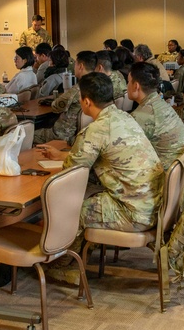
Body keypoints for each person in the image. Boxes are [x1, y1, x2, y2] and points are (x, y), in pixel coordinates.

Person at [36, 73, 162, 282]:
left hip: (134, 214)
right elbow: (98, 154)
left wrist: (64, 160)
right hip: (154, 204)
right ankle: (81, 256)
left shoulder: (95, 130)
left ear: (86, 101)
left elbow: (70, 174)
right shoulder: (124, 117)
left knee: (72, 208)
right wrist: (63, 155)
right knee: (89, 196)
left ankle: (64, 265)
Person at [128, 62, 184, 169]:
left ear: (136, 86)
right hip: (182, 170)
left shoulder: (141, 115)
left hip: (163, 175)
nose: (127, 86)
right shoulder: (161, 104)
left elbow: (128, 152)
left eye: (128, 82)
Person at [34, 51, 97, 145]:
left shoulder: (78, 88)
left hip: (63, 134)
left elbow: (56, 106)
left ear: (81, 66)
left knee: (28, 134)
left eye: (75, 64)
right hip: (82, 132)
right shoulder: (98, 85)